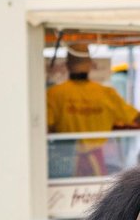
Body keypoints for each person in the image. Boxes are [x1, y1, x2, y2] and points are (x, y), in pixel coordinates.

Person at [47, 42, 140, 177]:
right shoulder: (106, 94)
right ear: (90, 65)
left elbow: (44, 128)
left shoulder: (55, 94)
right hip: (97, 160)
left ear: (67, 65)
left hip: (66, 161)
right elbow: (135, 118)